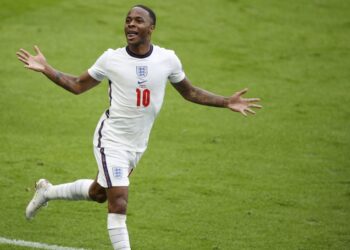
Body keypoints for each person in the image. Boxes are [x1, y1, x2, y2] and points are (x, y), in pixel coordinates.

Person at [16, 4, 262, 250]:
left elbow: (190, 92)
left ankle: (47, 192)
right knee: (119, 202)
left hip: (137, 144)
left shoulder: (167, 59)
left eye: (138, 21)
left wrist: (226, 101)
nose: (131, 24)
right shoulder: (111, 59)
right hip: (111, 139)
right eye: (128, 20)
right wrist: (46, 69)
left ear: (151, 28)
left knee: (99, 193)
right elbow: (78, 85)